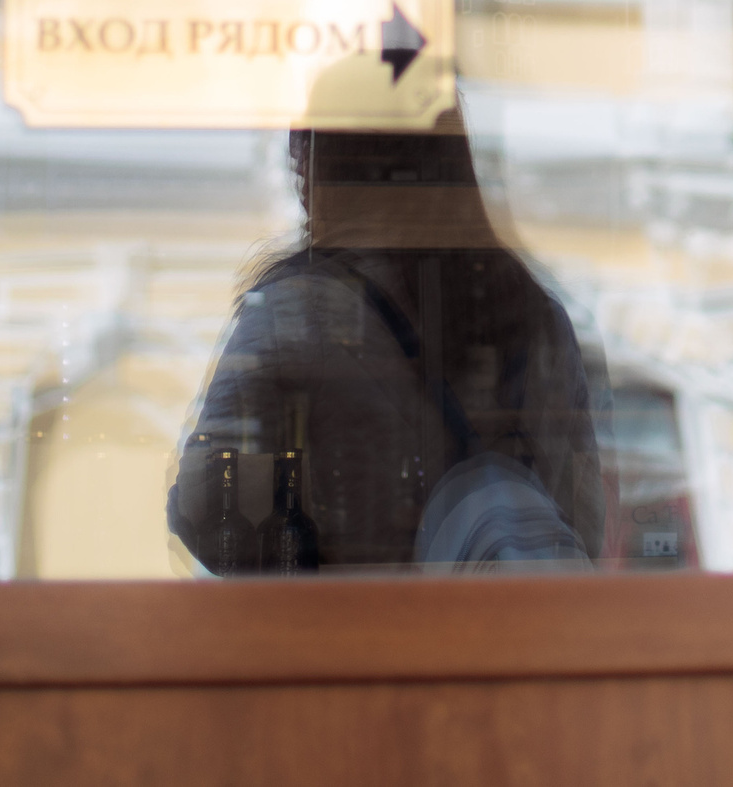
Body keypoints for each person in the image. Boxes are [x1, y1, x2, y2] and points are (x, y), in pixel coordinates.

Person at [170, 117, 606, 572]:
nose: (294, 158)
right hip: (504, 634)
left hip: (357, 630)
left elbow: (209, 509)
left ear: (325, 166)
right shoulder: (536, 314)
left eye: (305, 141)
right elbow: (583, 523)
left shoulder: (295, 311)